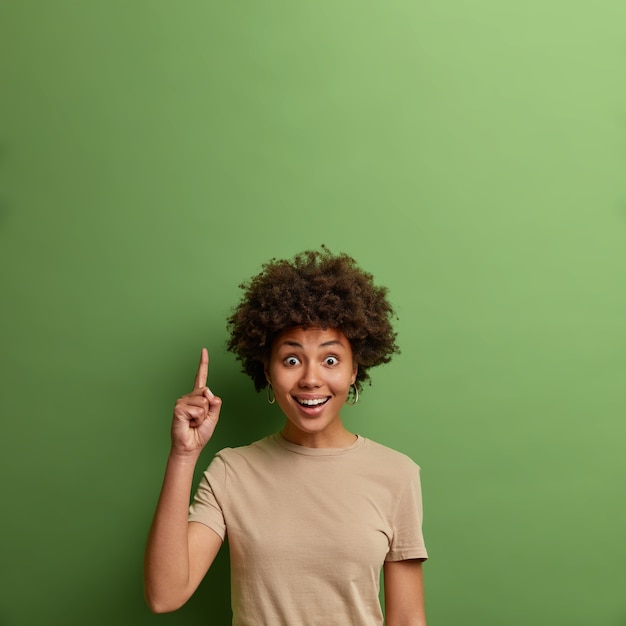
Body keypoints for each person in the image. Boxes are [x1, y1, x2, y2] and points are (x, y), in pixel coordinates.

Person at [144, 248, 428, 625]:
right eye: (292, 360)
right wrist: (183, 455)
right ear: (268, 371)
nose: (311, 378)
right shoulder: (232, 470)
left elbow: (408, 619)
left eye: (330, 360)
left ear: (354, 370)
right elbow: (165, 595)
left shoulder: (397, 474)